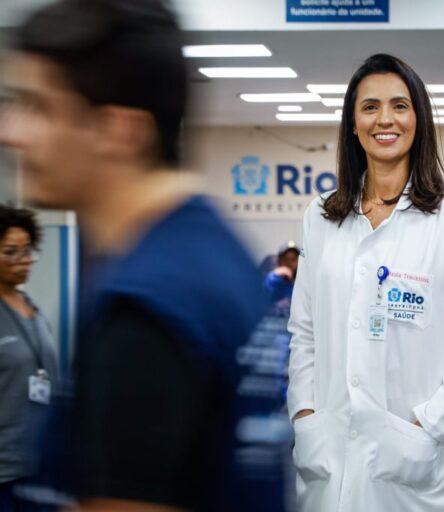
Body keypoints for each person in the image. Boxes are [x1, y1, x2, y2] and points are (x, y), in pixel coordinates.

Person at [1, 1, 292, 510]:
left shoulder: (146, 304)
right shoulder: (216, 257)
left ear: (121, 131)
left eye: (38, 107)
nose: (11, 133)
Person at [287, 53, 444, 512]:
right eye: (370, 107)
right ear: (352, 122)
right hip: (330, 456)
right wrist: (305, 412)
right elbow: (303, 331)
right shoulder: (321, 217)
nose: (385, 119)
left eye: (400, 106)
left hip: (419, 462)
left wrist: (430, 426)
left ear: (418, 118)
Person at [0, 205, 58, 511]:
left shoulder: (32, 308)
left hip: (38, 465)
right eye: (11, 252)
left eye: (27, 250)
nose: (23, 260)